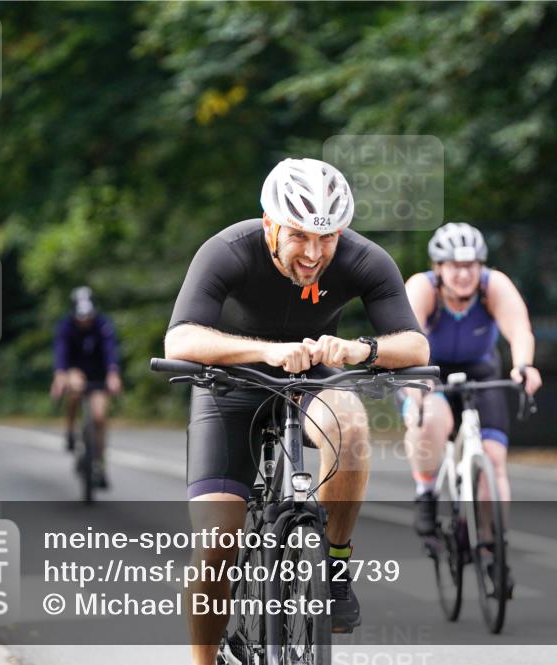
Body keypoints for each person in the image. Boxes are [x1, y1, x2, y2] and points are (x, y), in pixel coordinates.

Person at [164, 157, 429, 663]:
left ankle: (333, 564)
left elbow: (416, 347)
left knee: (350, 422)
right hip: (232, 384)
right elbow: (181, 337)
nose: (314, 252)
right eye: (300, 235)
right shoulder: (227, 251)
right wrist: (263, 351)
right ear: (270, 223)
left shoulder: (364, 259)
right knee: (217, 545)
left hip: (314, 378)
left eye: (327, 237)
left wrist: (359, 350)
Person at [400, 222, 543, 586]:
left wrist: (524, 367)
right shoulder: (422, 289)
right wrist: (415, 390)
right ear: (439, 267)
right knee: (430, 419)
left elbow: (520, 331)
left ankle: (492, 546)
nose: (463, 274)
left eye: (471, 265)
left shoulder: (494, 286)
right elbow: (402, 340)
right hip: (429, 369)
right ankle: (426, 491)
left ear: (481, 266)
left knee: (494, 461)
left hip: (482, 369)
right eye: (454, 265)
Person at [50, 286, 122, 489]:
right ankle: (70, 430)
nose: (84, 321)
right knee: (74, 390)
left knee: (99, 416)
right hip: (75, 372)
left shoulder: (103, 325)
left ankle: (98, 462)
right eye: (80, 317)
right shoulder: (65, 327)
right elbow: (61, 352)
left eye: (88, 317)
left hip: (98, 374)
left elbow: (110, 351)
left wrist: (113, 374)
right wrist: (60, 375)